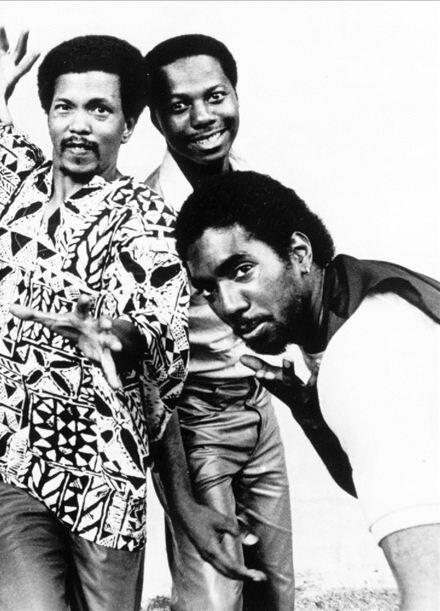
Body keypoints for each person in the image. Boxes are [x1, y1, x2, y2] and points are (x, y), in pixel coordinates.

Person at [0, 28, 261, 610]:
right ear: (48, 115)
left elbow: (151, 350)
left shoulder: (149, 221)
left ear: (128, 125)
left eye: (100, 109)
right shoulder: (8, 179)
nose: (79, 125)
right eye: (64, 107)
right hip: (1, 455)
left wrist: (112, 336)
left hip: (107, 475)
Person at [174, 170, 440, 610]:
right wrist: (313, 417)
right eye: (208, 290)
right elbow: (396, 486)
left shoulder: (362, 360)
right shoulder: (367, 297)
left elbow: (431, 592)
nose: (228, 305)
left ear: (299, 253)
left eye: (242, 270)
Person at [143, 34, 294, 609]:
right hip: (195, 425)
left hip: (260, 410)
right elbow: (148, 368)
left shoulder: (257, 184)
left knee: (276, 592)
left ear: (235, 94)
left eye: (215, 96)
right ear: (156, 119)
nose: (203, 117)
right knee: (211, 597)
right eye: (179, 105)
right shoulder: (145, 214)